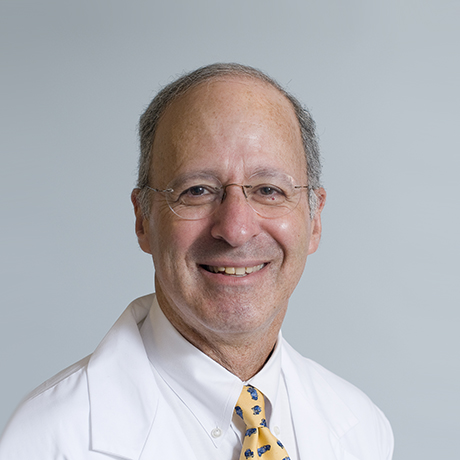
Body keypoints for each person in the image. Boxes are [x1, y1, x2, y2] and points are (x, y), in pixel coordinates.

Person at [0, 63, 394, 460]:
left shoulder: (363, 430)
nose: (236, 229)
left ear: (314, 220)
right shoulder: (44, 442)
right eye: (197, 190)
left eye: (268, 190)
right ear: (143, 220)